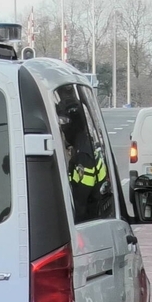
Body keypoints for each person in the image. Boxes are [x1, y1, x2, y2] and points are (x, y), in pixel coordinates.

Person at [57, 89, 111, 222]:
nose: (62, 128)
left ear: (73, 125)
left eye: (64, 123)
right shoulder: (84, 143)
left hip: (88, 217)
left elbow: (81, 198)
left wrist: (74, 224)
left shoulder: (83, 154)